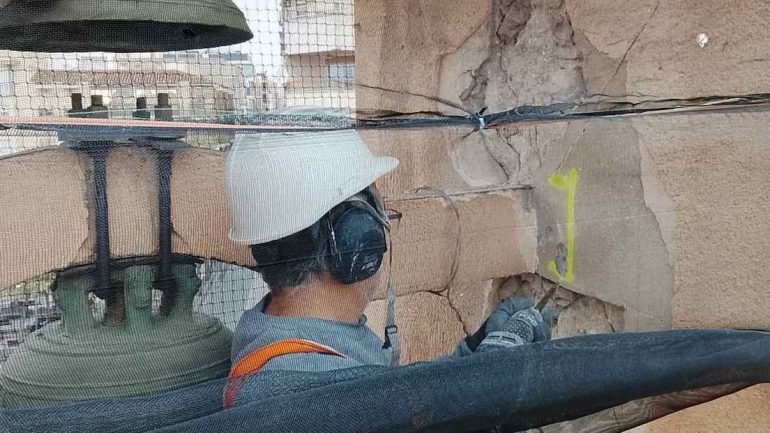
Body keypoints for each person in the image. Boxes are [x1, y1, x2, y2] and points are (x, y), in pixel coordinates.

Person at [223, 127, 551, 407]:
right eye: (380, 217)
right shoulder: (314, 387)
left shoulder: (281, 335)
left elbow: (395, 402)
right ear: (356, 240)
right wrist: (495, 397)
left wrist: (469, 361)